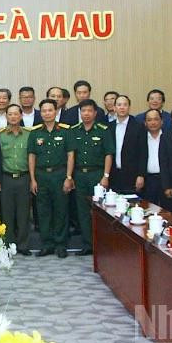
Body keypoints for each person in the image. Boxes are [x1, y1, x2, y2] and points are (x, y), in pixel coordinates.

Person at [28, 99, 74, 258]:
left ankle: (61, 244)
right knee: (43, 211)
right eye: (44, 111)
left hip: (59, 175)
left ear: (56, 112)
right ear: (40, 113)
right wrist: (33, 179)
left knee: (61, 210)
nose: (47, 113)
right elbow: (31, 156)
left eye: (50, 110)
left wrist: (69, 177)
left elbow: (70, 155)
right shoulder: (35, 132)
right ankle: (47, 244)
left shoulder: (65, 131)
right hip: (41, 176)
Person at [71, 100, 114, 256]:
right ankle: (88, 244)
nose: (86, 114)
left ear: (95, 113)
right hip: (79, 175)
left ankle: (101, 244)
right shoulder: (74, 130)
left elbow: (109, 154)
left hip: (97, 174)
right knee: (82, 211)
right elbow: (71, 155)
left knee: (99, 211)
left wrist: (106, 176)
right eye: (83, 111)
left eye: (89, 111)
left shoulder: (103, 130)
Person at [0, 104, 32, 255]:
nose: (13, 117)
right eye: (10, 114)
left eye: (16, 114)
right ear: (6, 116)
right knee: (7, 213)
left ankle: (23, 245)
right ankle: (9, 244)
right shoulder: (0, 135)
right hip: (6, 178)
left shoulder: (29, 134)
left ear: (21, 116)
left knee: (24, 213)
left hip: (24, 177)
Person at [109, 95, 147, 193]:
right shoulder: (109, 127)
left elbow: (143, 153)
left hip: (132, 175)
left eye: (125, 105)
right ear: (114, 108)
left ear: (129, 107)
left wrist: (141, 175)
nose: (122, 107)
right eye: (119, 105)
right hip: (113, 175)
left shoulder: (138, 126)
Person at [141, 109, 164, 205]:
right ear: (145, 123)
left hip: (165, 179)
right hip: (147, 180)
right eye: (149, 120)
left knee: (166, 210)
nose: (153, 122)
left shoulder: (169, 137)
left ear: (161, 121)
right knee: (148, 208)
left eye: (156, 119)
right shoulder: (141, 138)